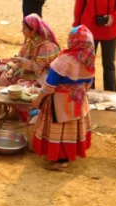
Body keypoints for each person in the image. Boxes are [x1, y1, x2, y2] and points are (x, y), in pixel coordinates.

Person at [31, 25, 95, 170]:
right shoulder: (88, 60)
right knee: (72, 131)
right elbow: (88, 83)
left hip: (60, 102)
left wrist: (38, 99)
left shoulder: (64, 60)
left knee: (59, 131)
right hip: (78, 101)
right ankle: (68, 156)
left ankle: (60, 161)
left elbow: (49, 85)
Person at [0, 14, 60, 88]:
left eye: (24, 28)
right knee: (4, 78)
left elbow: (38, 68)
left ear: (33, 30)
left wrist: (22, 61)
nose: (22, 31)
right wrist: (12, 69)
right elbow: (20, 56)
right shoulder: (30, 41)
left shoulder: (46, 47)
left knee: (22, 88)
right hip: (30, 72)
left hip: (43, 76)